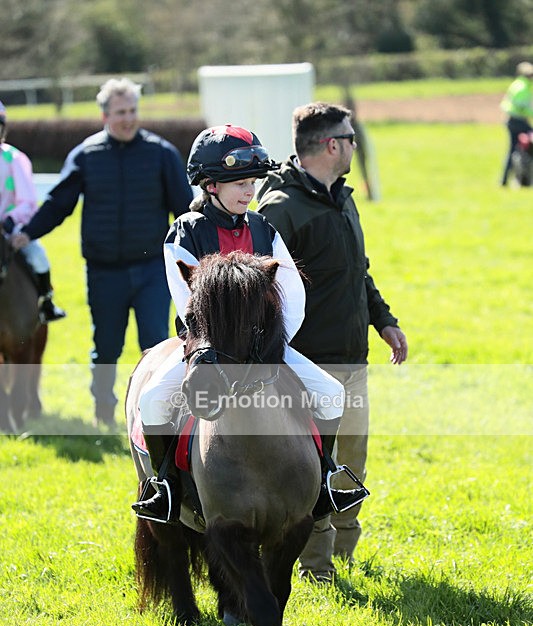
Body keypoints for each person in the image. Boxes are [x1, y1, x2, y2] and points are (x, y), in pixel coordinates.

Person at [132, 124, 368, 524]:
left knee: (330, 392)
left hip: (264, 347)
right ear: (210, 185)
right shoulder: (185, 232)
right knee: (152, 399)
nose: (250, 191)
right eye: (240, 183)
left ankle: (325, 477)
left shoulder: (263, 228)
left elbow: (292, 292)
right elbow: (189, 301)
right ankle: (166, 486)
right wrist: (223, 344)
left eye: (253, 182)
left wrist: (275, 344)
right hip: (206, 348)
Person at [256, 102, 408, 583]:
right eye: (350, 136)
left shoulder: (343, 197)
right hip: (307, 366)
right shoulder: (280, 209)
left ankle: (343, 554)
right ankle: (314, 566)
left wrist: (383, 320)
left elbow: (356, 270)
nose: (354, 144)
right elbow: (264, 293)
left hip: (353, 360)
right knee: (314, 468)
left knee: (351, 462)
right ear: (330, 144)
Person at [11, 78, 193, 427]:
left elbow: (184, 212)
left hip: (151, 271)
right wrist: (27, 234)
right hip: (104, 271)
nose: (128, 118)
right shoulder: (86, 155)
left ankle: (156, 417)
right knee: (106, 348)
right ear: (105, 115)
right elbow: (58, 204)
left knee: (156, 346)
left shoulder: (161, 153)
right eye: (121, 112)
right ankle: (103, 413)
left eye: (133, 111)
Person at [0, 100, 66, 323]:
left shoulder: (14, 159)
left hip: (9, 230)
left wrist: (10, 221)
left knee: (38, 257)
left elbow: (28, 201)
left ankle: (47, 301)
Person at [500, 61, 533, 187]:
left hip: (512, 120)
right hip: (518, 121)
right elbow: (521, 106)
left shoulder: (518, 83)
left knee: (513, 149)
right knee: (519, 148)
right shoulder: (523, 86)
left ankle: (505, 180)